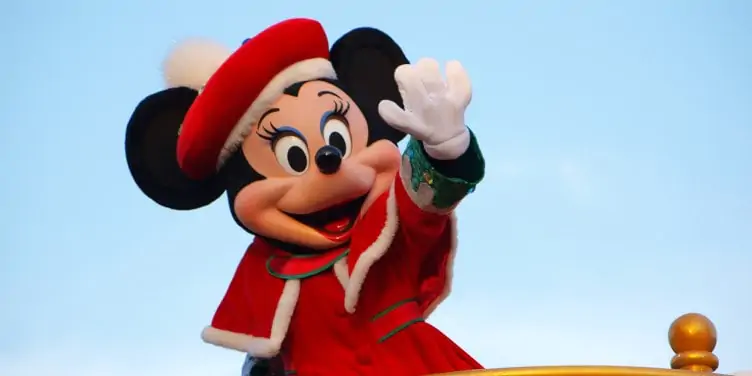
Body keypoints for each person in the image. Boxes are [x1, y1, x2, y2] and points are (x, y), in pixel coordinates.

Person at [124, 17, 485, 376]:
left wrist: (444, 153)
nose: (328, 159)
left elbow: (420, 205)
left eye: (337, 140)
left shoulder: (384, 231)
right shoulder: (263, 282)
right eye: (294, 156)